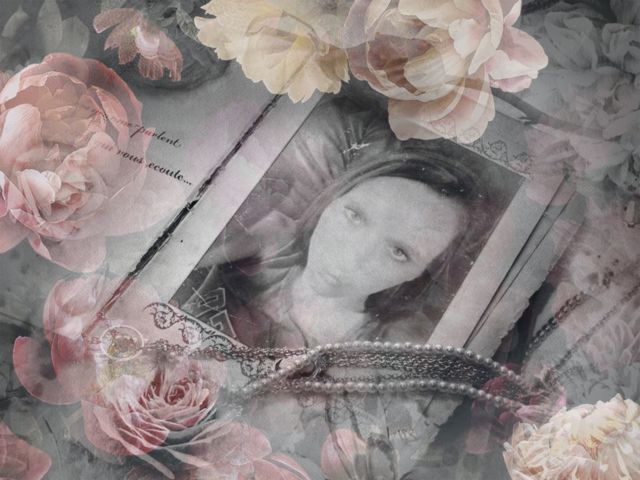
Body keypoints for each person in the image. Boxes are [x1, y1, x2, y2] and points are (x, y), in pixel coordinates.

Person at [180, 155, 484, 348]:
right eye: (355, 215)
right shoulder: (254, 245)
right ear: (332, 200)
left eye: (399, 251)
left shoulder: (374, 362)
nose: (351, 258)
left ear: (421, 273)